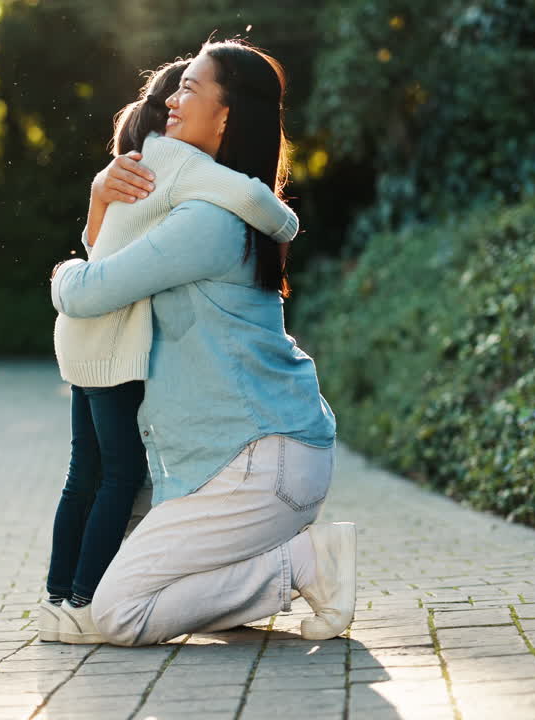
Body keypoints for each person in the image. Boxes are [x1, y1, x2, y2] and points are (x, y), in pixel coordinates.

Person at [49, 39, 356, 647]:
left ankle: (302, 564)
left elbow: (90, 292)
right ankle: (256, 563)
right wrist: (99, 200)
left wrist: (60, 274)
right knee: (117, 567)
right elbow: (117, 264)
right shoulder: (205, 203)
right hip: (233, 463)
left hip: (258, 464)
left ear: (227, 116)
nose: (171, 99)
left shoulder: (208, 222)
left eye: (191, 87)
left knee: (117, 612)